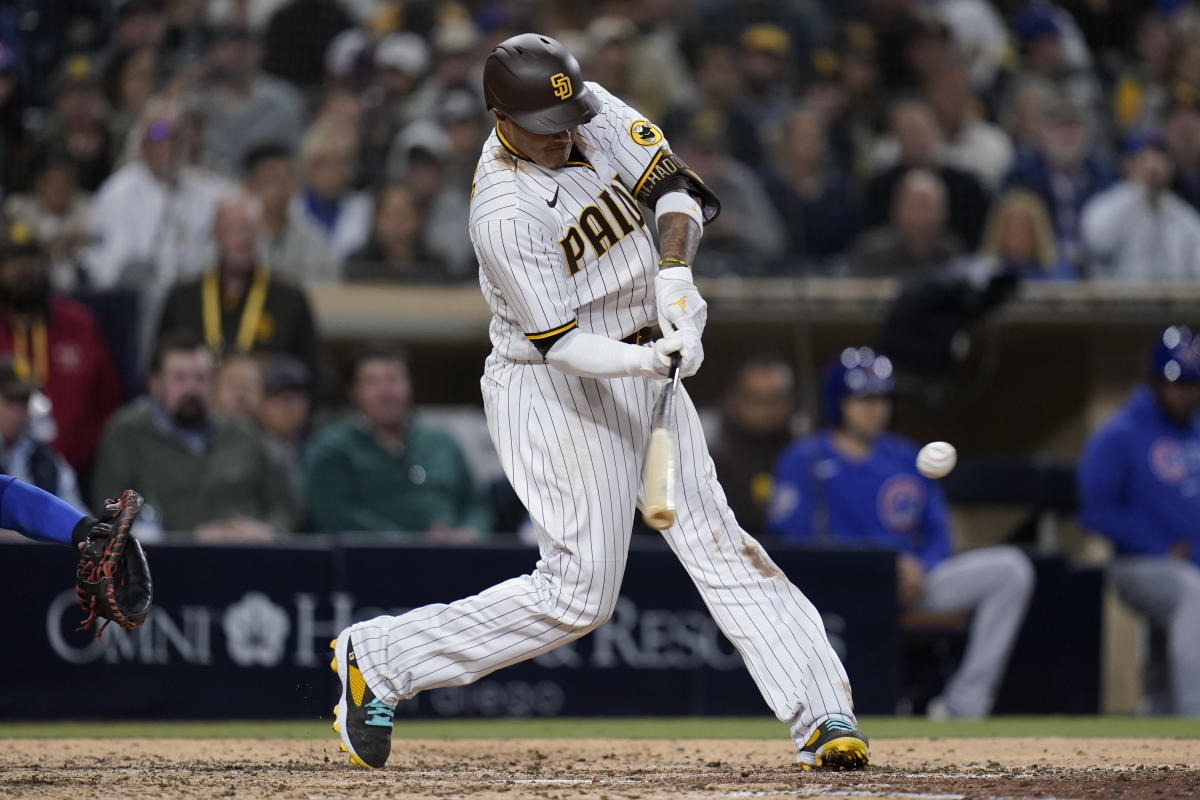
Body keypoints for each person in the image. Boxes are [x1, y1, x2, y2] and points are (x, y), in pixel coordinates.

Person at [328, 33, 867, 773]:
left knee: (715, 537)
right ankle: (382, 656)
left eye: (568, 118)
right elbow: (565, 345)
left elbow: (674, 186)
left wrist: (675, 276)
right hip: (554, 385)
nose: (563, 135)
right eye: (544, 129)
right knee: (581, 594)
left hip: (641, 355)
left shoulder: (576, 106)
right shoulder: (503, 210)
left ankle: (821, 712)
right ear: (500, 118)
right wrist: (650, 357)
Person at [768, 347, 1035, 719]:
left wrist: (918, 568)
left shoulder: (907, 457)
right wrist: (882, 566)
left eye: (881, 398)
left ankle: (964, 705)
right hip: (840, 590)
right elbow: (792, 541)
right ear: (839, 402)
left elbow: (939, 536)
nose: (875, 408)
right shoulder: (805, 459)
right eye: (863, 398)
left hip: (911, 586)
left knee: (1011, 570)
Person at [1078, 325, 1200, 716]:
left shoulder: (1196, 431)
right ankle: (1193, 714)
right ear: (1155, 381)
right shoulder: (1120, 433)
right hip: (1138, 564)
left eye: (1193, 385)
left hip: (1189, 565)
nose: (1186, 394)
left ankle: (1160, 713)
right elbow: (1095, 509)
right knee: (1191, 593)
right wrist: (1158, 545)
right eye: (1177, 384)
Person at [91, 331, 299, 541]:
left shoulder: (241, 431)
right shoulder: (127, 434)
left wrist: (270, 531)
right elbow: (111, 517)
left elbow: (287, 503)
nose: (191, 388)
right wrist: (190, 536)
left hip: (249, 555)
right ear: (156, 384)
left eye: (200, 378)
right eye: (179, 378)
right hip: (166, 561)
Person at [304, 348, 489, 538]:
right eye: (372, 382)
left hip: (456, 558)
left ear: (410, 385)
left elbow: (476, 505)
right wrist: (410, 544)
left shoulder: (443, 443)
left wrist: (471, 531)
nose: (385, 392)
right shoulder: (331, 450)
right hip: (371, 561)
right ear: (353, 392)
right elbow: (335, 516)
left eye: (393, 379)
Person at [156, 190, 322, 387]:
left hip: (265, 406)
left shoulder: (290, 298)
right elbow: (158, 367)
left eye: (250, 229)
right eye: (233, 229)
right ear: (214, 233)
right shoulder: (183, 298)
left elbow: (315, 372)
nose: (244, 239)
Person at [0, 220, 120, 472]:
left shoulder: (79, 323)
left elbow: (107, 400)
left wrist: (80, 455)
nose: (24, 269)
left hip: (77, 473)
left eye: (32, 259)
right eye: (13, 261)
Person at [1081, 129, 1200, 282]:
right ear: (1126, 165)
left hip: (1172, 302)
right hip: (1116, 302)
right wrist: (1138, 189)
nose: (1152, 167)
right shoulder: (1108, 204)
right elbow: (1096, 240)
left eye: (1159, 159)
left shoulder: (1181, 214)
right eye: (1141, 160)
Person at [708, 356, 796, 537]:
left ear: (789, 402)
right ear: (736, 399)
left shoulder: (804, 457)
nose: (765, 409)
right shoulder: (712, 459)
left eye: (774, 399)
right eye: (756, 399)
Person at [242, 143, 338, 284]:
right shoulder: (236, 238)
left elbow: (331, 287)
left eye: (284, 179)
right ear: (252, 186)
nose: (278, 189)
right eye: (270, 180)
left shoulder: (314, 237)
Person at [0, 360, 84, 514]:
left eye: (23, 402)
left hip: (37, 538)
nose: (16, 413)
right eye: (10, 401)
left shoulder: (46, 459)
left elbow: (74, 513)